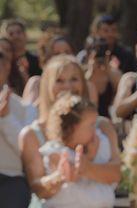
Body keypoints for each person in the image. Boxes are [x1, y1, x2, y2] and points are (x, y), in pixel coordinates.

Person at [19, 57, 119, 206]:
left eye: (74, 79)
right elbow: (37, 188)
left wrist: (87, 168)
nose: (67, 86)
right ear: (47, 86)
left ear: (83, 84)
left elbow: (116, 173)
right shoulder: (30, 134)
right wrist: (60, 176)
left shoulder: (103, 126)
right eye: (59, 80)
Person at [0, 46, 37, 208]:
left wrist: (6, 117)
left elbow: (26, 151)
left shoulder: (23, 107)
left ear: (6, 67)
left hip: (11, 180)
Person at [22, 36, 75, 107]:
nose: (63, 57)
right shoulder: (36, 84)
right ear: (46, 59)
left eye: (67, 52)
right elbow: (28, 114)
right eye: (57, 54)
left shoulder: (83, 85)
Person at [84, 37, 122, 119]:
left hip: (110, 121)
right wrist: (90, 73)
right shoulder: (82, 74)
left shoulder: (115, 73)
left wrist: (109, 71)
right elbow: (79, 91)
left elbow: (120, 92)